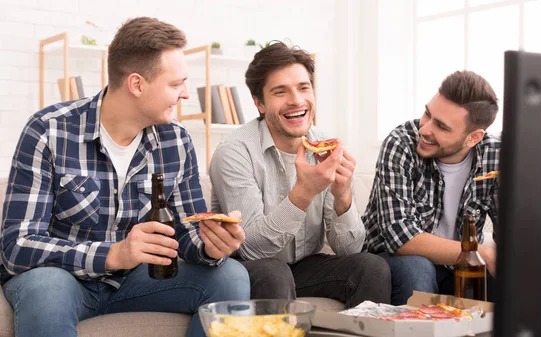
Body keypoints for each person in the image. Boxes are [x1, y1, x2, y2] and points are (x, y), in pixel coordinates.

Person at [0, 17, 250, 337]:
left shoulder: (177, 141)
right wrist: (114, 254)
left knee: (231, 276)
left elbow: (187, 236)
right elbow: (17, 246)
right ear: (136, 84)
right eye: (175, 84)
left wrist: (211, 245)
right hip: (64, 278)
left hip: (137, 280)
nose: (186, 94)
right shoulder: (49, 130)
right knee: (46, 287)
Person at [209, 41, 391, 308]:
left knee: (371, 266)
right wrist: (303, 194)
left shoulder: (325, 145)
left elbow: (349, 250)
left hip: (304, 265)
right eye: (280, 92)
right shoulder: (234, 152)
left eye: (303, 88)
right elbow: (252, 249)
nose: (296, 100)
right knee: (273, 271)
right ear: (260, 103)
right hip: (248, 267)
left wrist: (343, 196)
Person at [362, 71, 499, 305]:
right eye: (427, 113)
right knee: (417, 267)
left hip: (459, 267)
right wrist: (482, 252)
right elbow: (401, 238)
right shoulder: (401, 143)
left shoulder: (495, 156)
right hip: (393, 259)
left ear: (473, 137)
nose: (424, 129)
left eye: (441, 127)